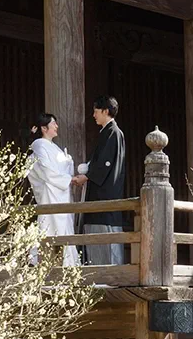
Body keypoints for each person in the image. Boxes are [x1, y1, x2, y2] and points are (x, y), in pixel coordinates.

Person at [72, 96, 126, 265]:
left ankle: (107, 274)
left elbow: (105, 163)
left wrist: (87, 176)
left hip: (105, 194)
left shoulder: (113, 133)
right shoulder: (107, 132)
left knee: (104, 228)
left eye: (96, 111)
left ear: (105, 111)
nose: (93, 115)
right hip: (100, 190)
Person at [27, 112, 80, 267]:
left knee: (63, 228)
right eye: (53, 123)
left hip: (60, 193)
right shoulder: (39, 144)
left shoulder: (54, 147)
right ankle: (48, 265)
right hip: (51, 194)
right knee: (50, 227)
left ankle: (67, 266)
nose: (57, 126)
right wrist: (68, 179)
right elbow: (45, 168)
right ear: (44, 128)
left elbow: (60, 168)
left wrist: (68, 164)